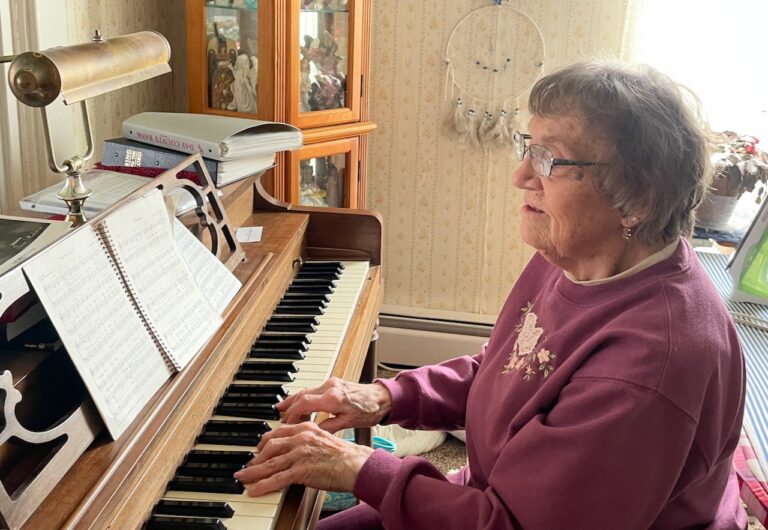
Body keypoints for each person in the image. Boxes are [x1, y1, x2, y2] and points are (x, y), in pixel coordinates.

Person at [234, 60, 748, 529]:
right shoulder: (580, 255)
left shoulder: (649, 365)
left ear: (642, 196)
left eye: (551, 159)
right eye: (530, 148)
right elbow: (509, 367)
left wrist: (365, 469)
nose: (521, 176)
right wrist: (389, 394)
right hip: (505, 497)